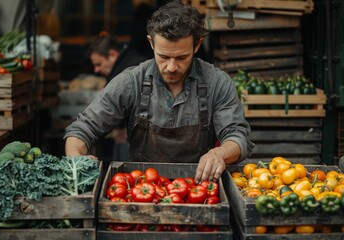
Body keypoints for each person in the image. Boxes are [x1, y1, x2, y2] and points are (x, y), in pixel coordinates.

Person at [64, 0, 254, 183]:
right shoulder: (131, 82)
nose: (171, 67)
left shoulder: (217, 83)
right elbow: (82, 129)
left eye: (181, 57)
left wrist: (219, 153)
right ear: (151, 43)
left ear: (197, 45)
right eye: (163, 56)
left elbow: (237, 136)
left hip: (200, 190)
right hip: (142, 189)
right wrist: (76, 159)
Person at [87, 33, 148, 161]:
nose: (96, 70)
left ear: (113, 55)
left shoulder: (129, 71)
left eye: (99, 64)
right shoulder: (126, 63)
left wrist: (121, 126)